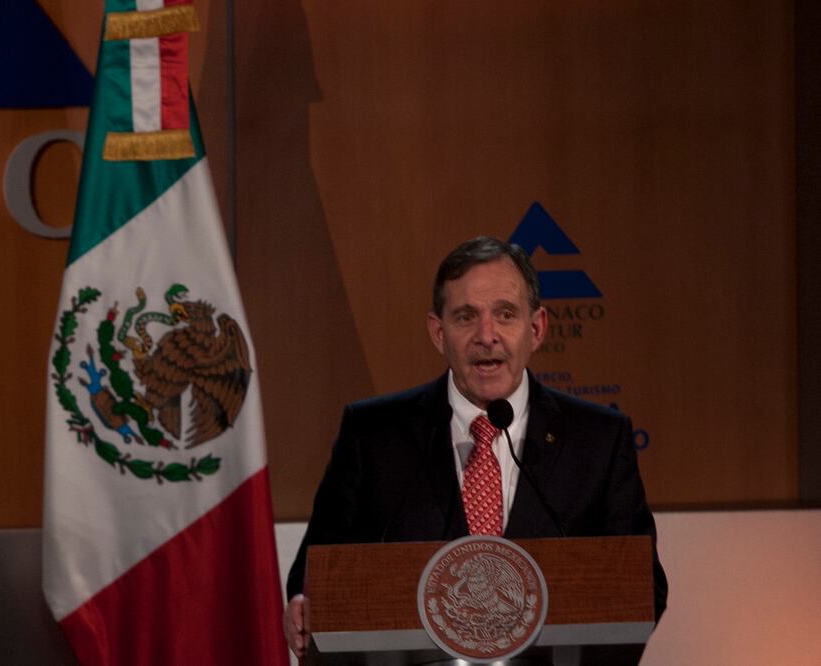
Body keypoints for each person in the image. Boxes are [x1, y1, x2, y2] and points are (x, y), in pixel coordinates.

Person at [283, 236, 667, 659]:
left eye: (505, 314)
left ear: (535, 328)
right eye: (466, 317)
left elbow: (644, 586)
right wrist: (303, 602)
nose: (487, 336)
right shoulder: (374, 434)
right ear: (438, 331)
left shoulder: (598, 439)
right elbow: (316, 573)